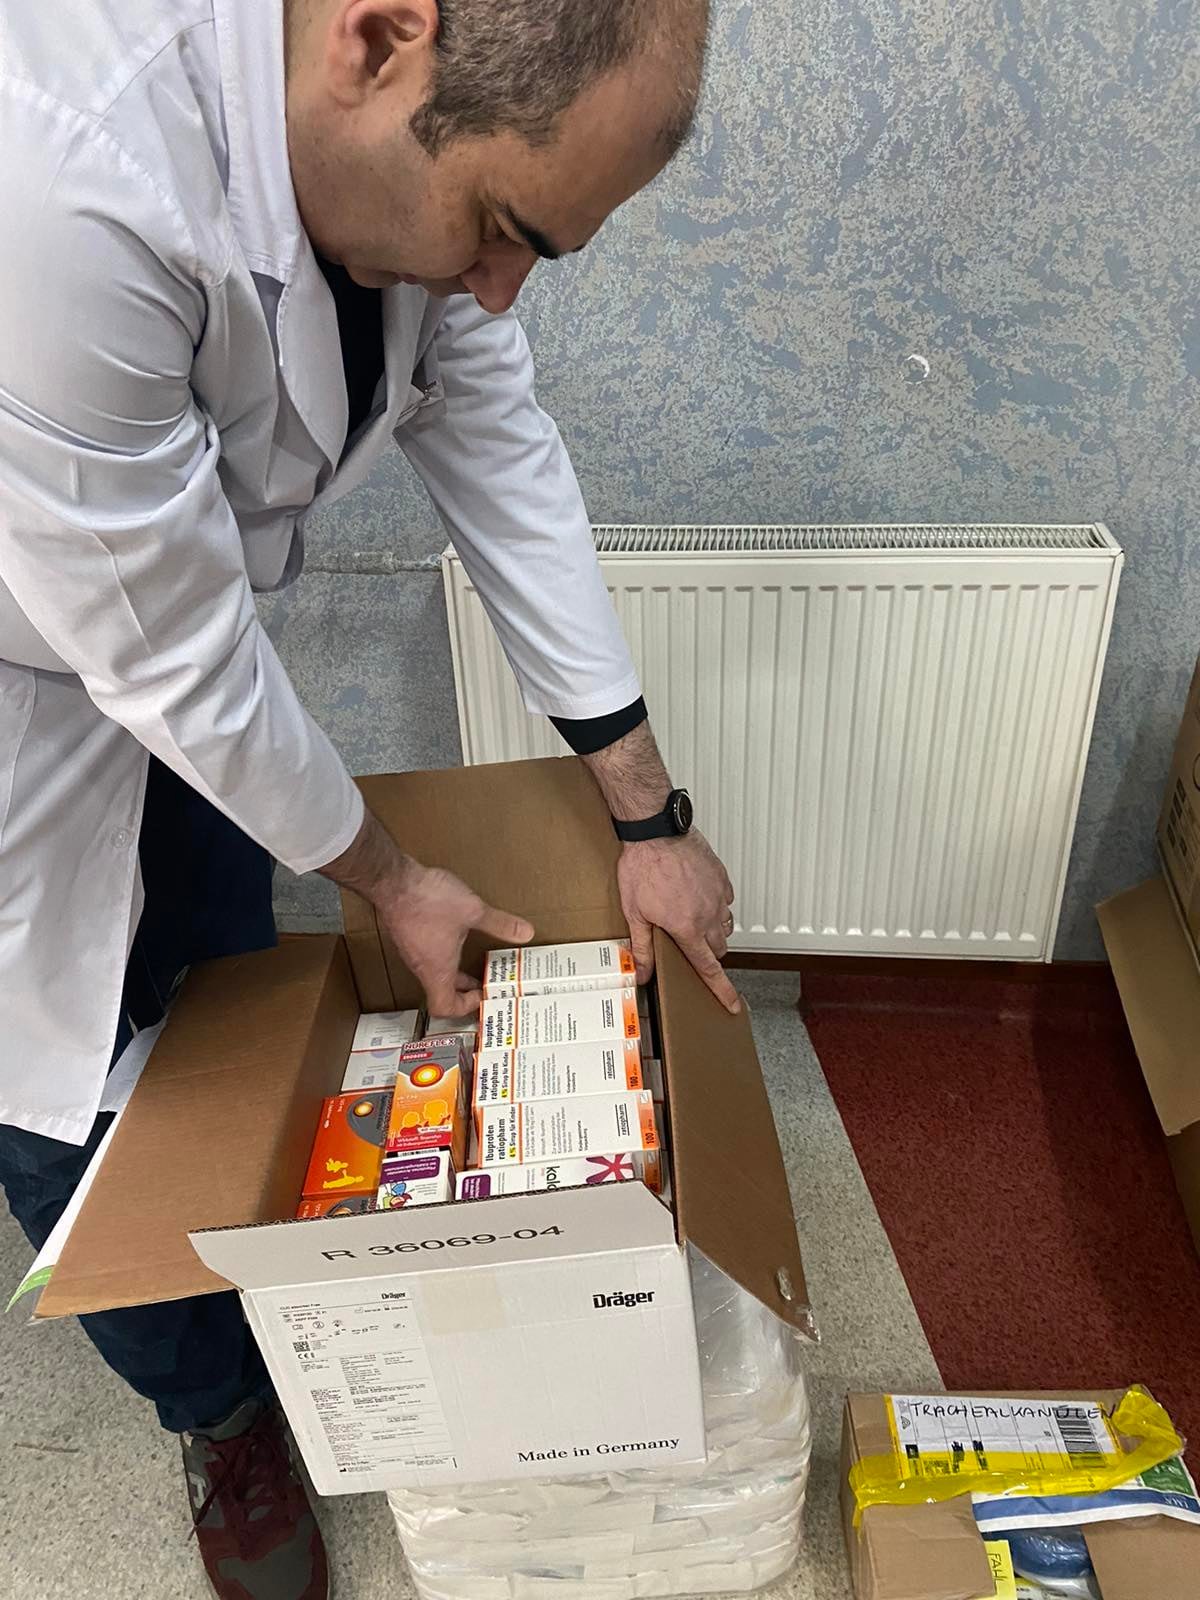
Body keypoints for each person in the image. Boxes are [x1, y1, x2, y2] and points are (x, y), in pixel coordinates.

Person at [0, 1, 736, 1596]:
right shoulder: (60, 172)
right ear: (379, 40)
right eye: (500, 226)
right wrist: (394, 875)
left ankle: (287, 1286)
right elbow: (171, 663)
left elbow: (495, 439)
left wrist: (647, 815)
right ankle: (217, 1413)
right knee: (61, 1106)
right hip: (20, 697)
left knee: (220, 1009)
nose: (500, 286)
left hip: (170, 660)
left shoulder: (401, 162)